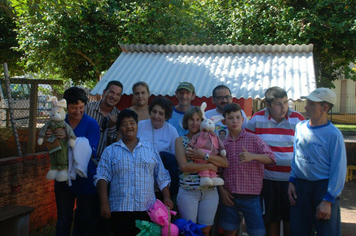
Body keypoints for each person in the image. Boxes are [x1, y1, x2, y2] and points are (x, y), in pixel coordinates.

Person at [94, 109, 173, 236]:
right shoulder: (110, 151)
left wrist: (167, 197)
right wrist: (104, 203)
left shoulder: (150, 149)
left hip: (147, 209)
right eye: (124, 124)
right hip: (120, 209)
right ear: (119, 128)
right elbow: (101, 177)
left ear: (137, 125)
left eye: (132, 123)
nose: (129, 127)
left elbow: (162, 177)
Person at [245, 86, 305, 236]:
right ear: (268, 105)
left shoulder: (298, 119)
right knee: (271, 219)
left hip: (292, 181)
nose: (283, 107)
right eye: (278, 103)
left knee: (291, 219)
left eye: (285, 102)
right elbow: (247, 146)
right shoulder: (256, 120)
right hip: (267, 180)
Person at [287, 88, 347, 236]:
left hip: (323, 188)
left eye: (311, 104)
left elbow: (338, 169)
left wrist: (328, 199)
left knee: (327, 232)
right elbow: (296, 156)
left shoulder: (333, 134)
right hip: (301, 187)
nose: (306, 107)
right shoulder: (300, 127)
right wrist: (292, 181)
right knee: (298, 231)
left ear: (324, 108)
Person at [218, 103, 276, 236]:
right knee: (229, 230)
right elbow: (219, 171)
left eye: (238, 117)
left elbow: (272, 158)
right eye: (231, 118)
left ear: (243, 120)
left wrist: (253, 156)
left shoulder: (254, 139)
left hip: (251, 197)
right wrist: (222, 190)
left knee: (257, 232)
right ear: (224, 121)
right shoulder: (223, 144)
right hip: (230, 196)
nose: (235, 121)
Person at [175, 107, 228, 236]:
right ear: (186, 122)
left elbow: (224, 163)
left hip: (210, 191)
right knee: (189, 230)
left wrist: (204, 156)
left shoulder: (213, 140)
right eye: (191, 120)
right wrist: (210, 166)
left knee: (206, 230)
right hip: (189, 191)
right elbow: (184, 166)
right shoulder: (180, 141)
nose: (195, 123)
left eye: (198, 119)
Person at [54, 87, 100, 236]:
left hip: (85, 177)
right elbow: (51, 147)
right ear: (66, 106)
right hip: (63, 177)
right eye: (74, 108)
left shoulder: (91, 124)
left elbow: (89, 150)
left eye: (81, 107)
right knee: (63, 218)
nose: (78, 111)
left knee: (86, 219)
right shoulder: (59, 121)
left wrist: (67, 138)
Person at [137, 96, 179, 196]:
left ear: (167, 116)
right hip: (141, 180)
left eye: (161, 113)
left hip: (163, 185)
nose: (156, 116)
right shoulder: (140, 125)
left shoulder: (172, 131)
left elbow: (175, 157)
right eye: (154, 111)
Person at [85, 81, 123, 159]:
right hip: (84, 158)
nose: (114, 96)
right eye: (112, 92)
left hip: (105, 162)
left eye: (118, 94)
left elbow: (115, 144)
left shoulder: (120, 116)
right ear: (104, 92)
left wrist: (112, 126)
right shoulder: (88, 108)